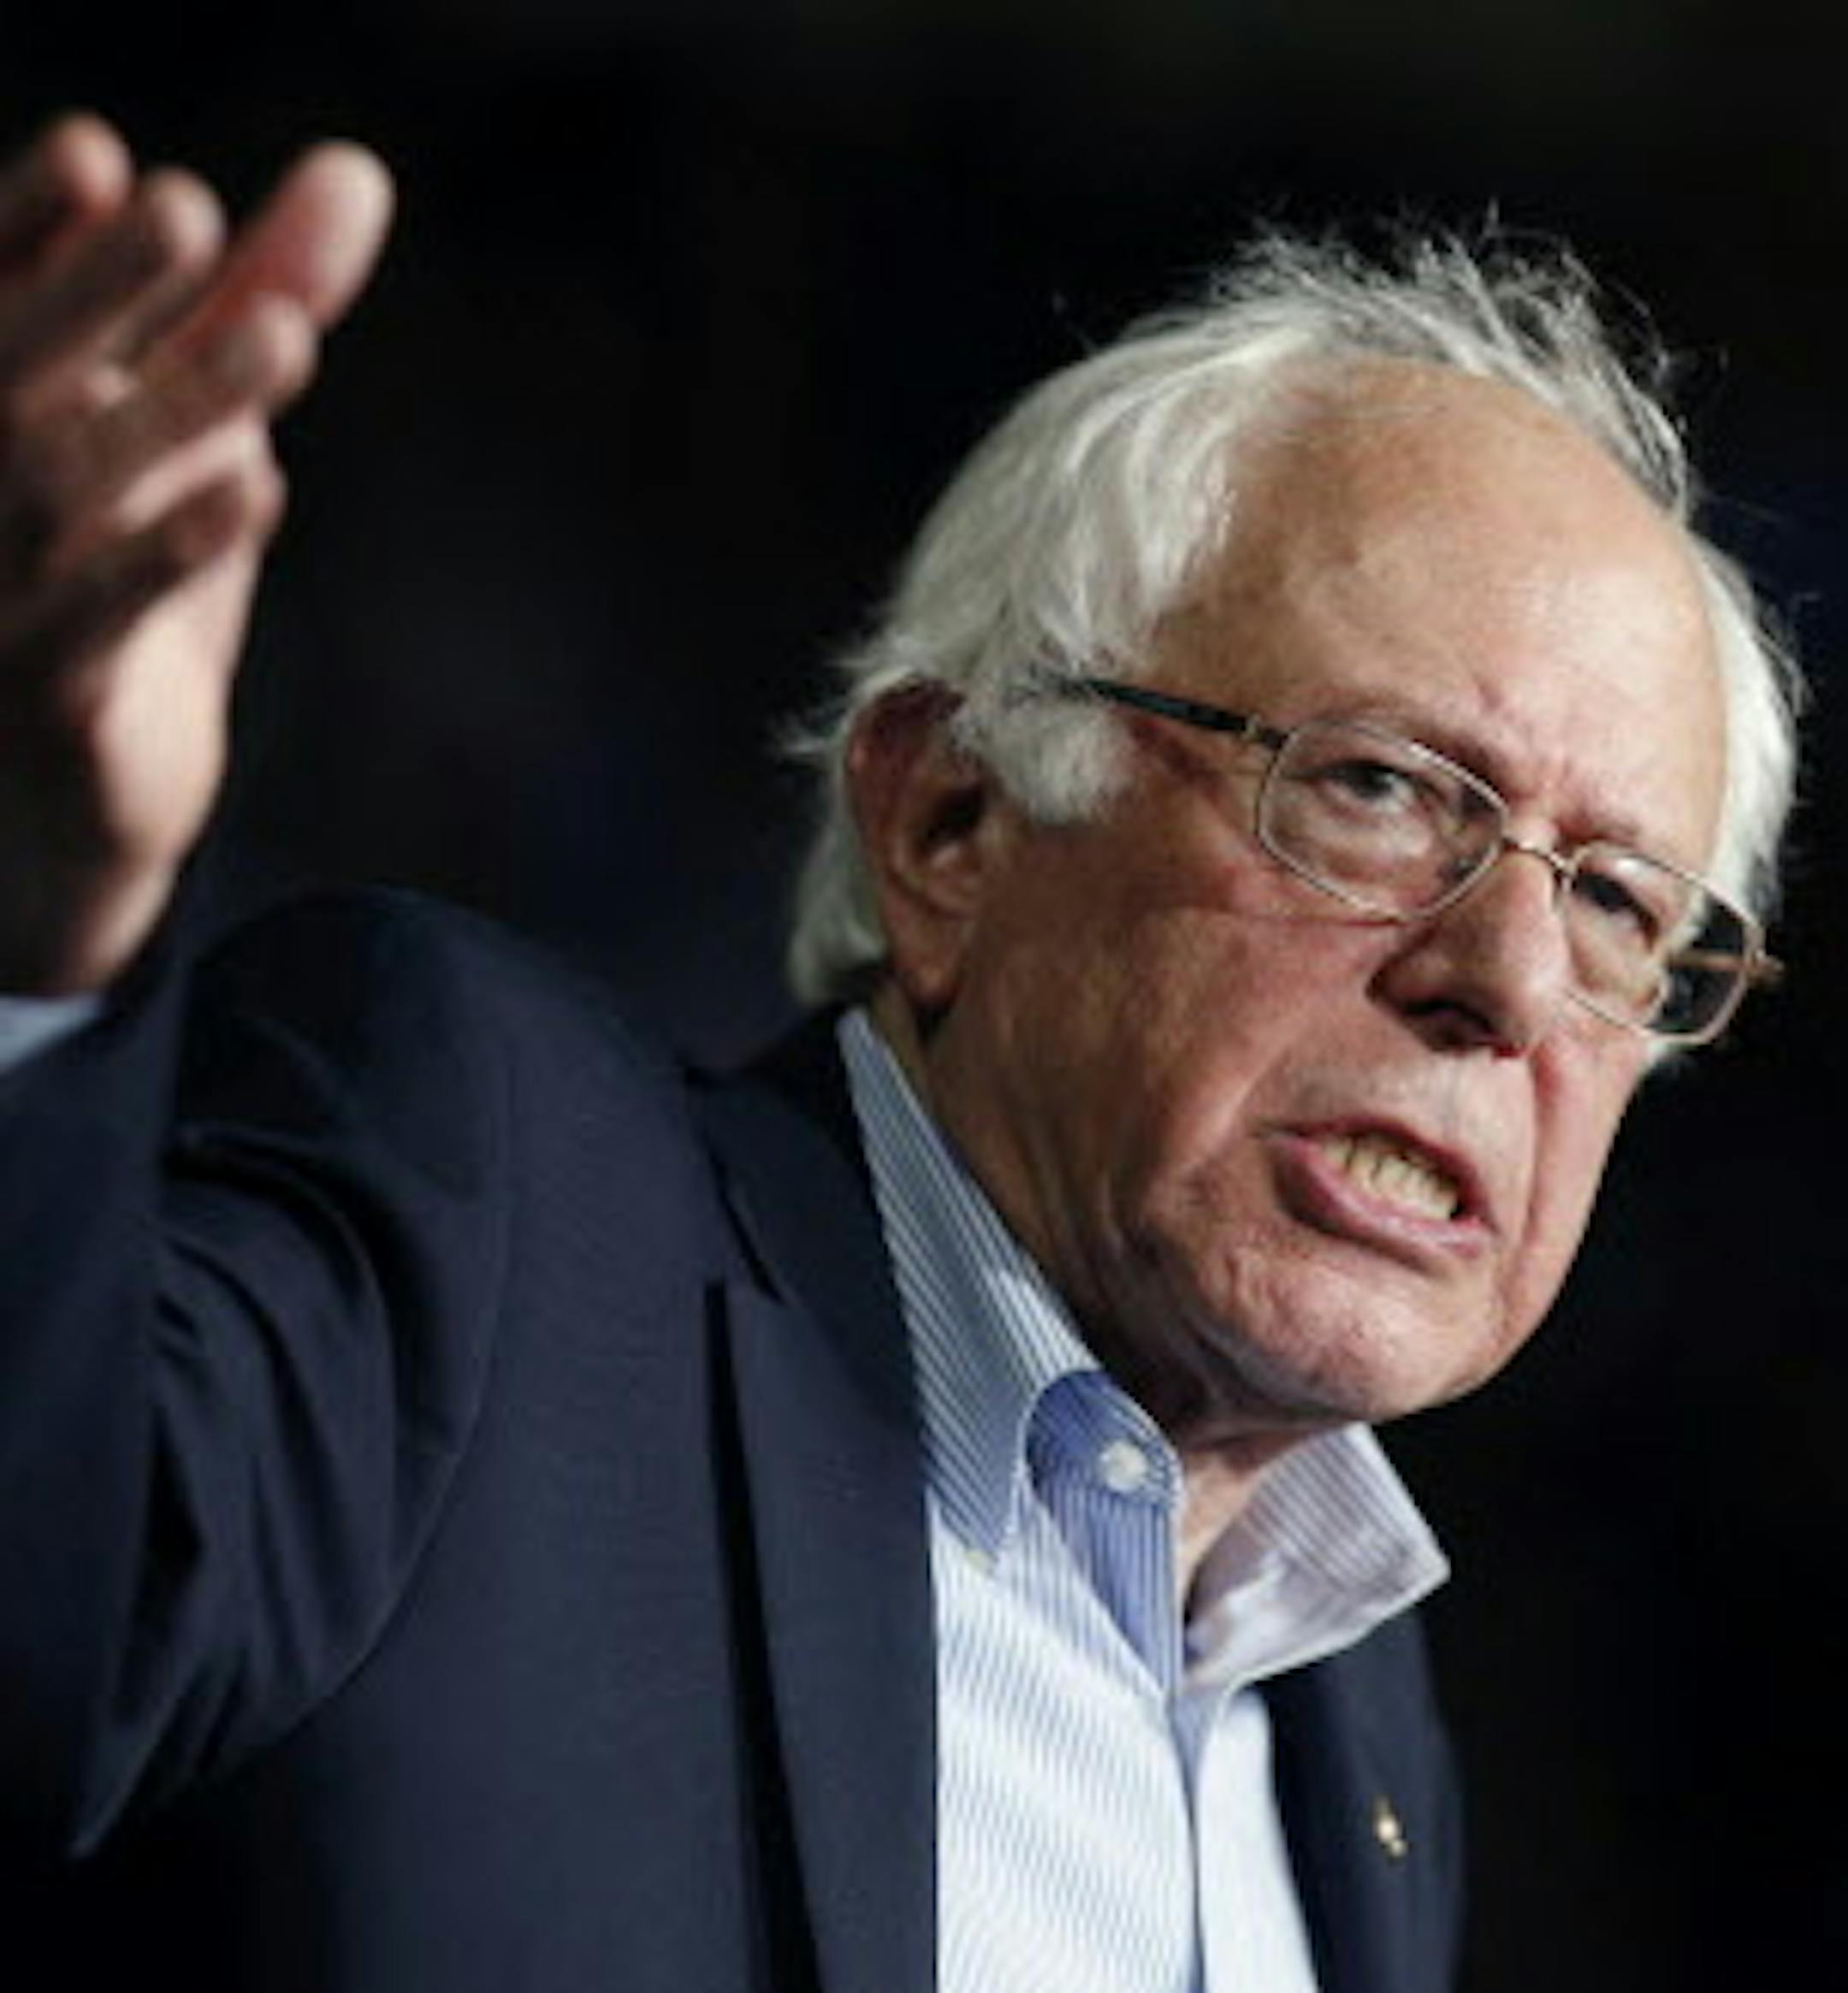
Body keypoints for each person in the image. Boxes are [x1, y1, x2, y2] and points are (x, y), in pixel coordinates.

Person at [0, 110, 1798, 1993]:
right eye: (1377, 786)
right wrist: (36, 916)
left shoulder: (1361, 1717)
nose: (1508, 977)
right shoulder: (492, 1214)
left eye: (1618, 900)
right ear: (951, 818)